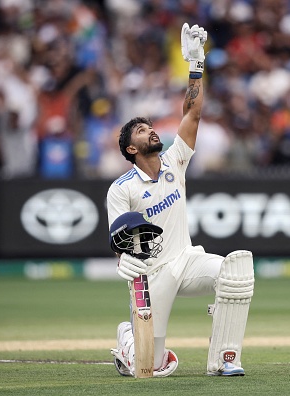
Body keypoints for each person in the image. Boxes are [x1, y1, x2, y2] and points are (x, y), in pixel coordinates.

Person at [106, 23, 255, 378]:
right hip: (154, 273)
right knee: (151, 368)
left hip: (187, 260)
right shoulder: (121, 188)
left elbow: (193, 113)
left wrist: (196, 64)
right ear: (131, 148)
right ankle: (128, 336)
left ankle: (224, 359)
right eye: (142, 131)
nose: (152, 131)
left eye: (150, 127)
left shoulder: (174, 161)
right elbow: (118, 238)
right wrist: (124, 260)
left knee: (234, 274)